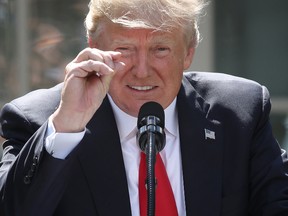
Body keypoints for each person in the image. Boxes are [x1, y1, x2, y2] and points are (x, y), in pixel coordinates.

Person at [1, 0, 288, 215]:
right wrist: (68, 124)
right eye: (124, 50)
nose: (141, 71)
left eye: (160, 49)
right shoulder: (39, 120)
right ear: (93, 47)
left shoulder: (240, 112)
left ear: (188, 53)